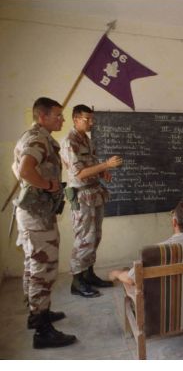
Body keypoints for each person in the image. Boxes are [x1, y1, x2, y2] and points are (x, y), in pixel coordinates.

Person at [12, 97, 77, 349]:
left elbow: (18, 169)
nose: (62, 119)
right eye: (57, 115)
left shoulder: (29, 136)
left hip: (33, 213)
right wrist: (49, 185)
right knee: (43, 270)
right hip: (37, 217)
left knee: (32, 266)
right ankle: (42, 331)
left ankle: (36, 314)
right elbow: (26, 170)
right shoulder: (38, 139)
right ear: (42, 116)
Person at [60, 104, 123, 297]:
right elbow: (78, 174)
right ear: (75, 119)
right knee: (83, 239)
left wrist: (103, 172)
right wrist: (106, 164)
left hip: (94, 193)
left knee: (94, 237)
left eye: (92, 119)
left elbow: (91, 164)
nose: (91, 123)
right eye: (87, 119)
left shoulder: (85, 139)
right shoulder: (70, 141)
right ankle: (77, 282)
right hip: (82, 196)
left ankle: (89, 274)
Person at [109, 201, 183, 285]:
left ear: (174, 222)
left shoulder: (157, 251)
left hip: (165, 303)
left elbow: (130, 279)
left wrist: (116, 273)